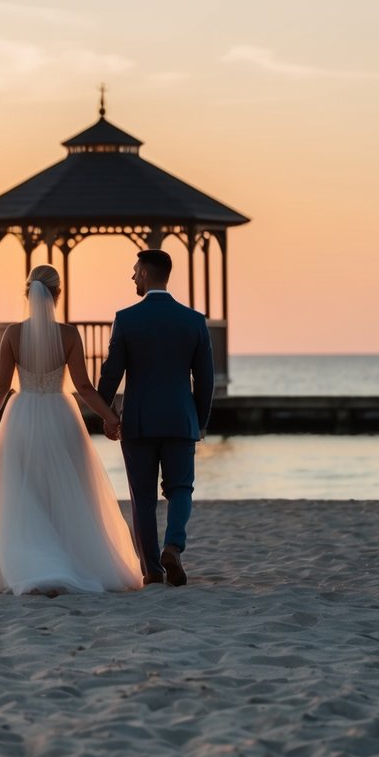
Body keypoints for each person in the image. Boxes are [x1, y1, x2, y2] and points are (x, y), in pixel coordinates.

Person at [0, 265, 143, 596]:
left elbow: (0, 387)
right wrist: (111, 416)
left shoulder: (12, 334)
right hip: (60, 415)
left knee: (23, 492)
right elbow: (85, 387)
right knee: (66, 491)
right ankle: (67, 559)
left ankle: (31, 564)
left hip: (22, 415)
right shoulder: (70, 335)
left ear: (27, 293)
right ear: (57, 294)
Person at [97, 249, 215, 587]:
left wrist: (106, 414)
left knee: (143, 498)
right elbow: (205, 380)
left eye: (135, 271)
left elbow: (111, 374)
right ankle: (173, 545)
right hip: (181, 419)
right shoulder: (194, 320)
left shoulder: (127, 318)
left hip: (139, 421)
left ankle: (151, 569)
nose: (133, 277)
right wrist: (200, 420)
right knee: (181, 489)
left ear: (146, 273)